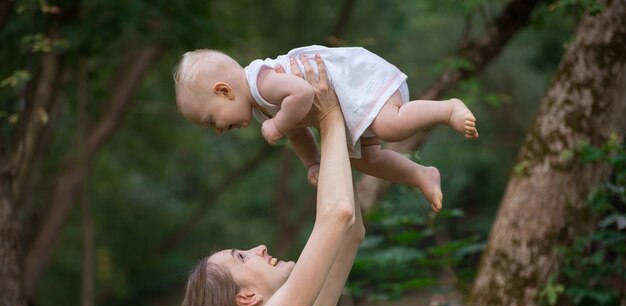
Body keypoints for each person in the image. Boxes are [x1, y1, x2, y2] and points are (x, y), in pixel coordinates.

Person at [180, 55, 365, 306]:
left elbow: (351, 231)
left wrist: (318, 151)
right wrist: (328, 115)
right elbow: (337, 215)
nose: (259, 248)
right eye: (242, 257)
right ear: (247, 297)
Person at [174, 45, 479, 212]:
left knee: (390, 125)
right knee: (362, 159)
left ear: (224, 91)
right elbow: (298, 131)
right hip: (344, 104)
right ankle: (420, 175)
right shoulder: (258, 105)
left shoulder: (261, 82)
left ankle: (447, 108)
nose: (217, 130)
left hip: (356, 81)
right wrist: (311, 162)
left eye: (212, 120)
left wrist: (277, 124)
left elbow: (303, 95)